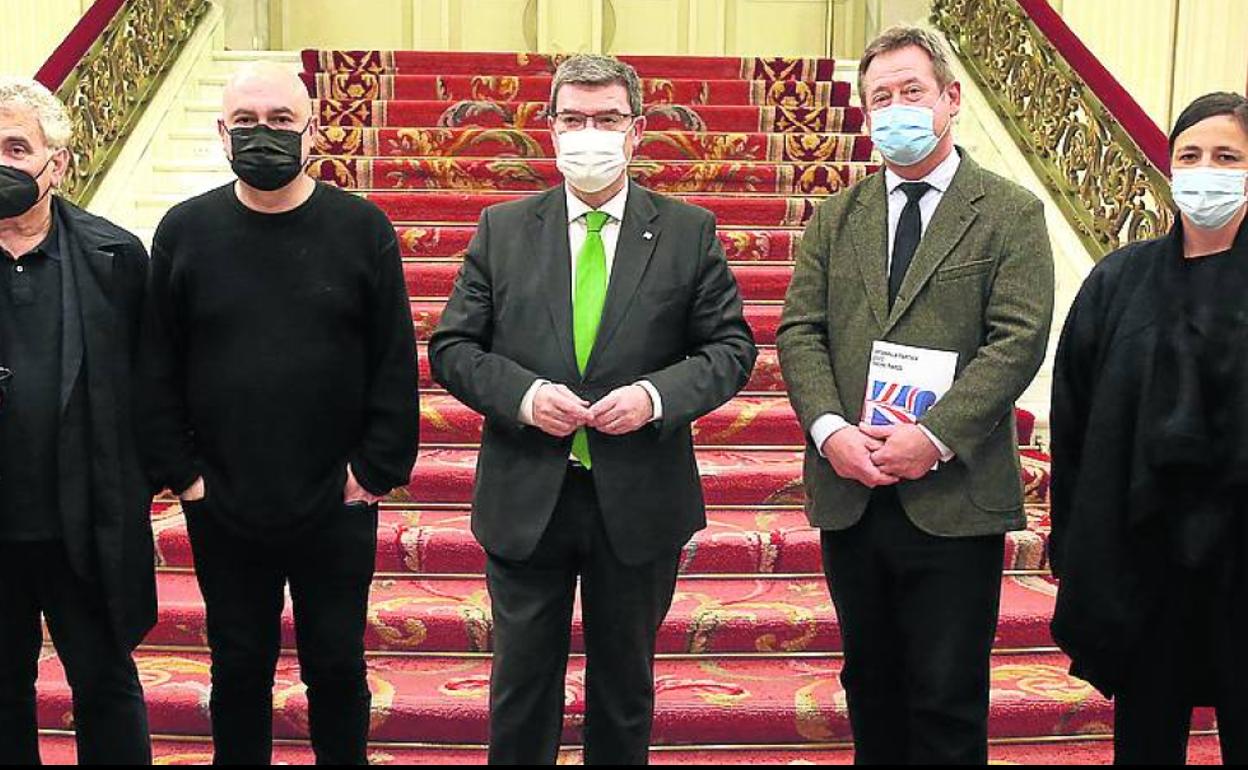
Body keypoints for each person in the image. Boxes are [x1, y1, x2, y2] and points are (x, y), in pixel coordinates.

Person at [429, 53, 757, 765]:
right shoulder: (503, 228)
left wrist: (653, 397)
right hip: (527, 494)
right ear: (549, 128)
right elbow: (452, 347)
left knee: (624, 689)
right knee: (520, 688)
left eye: (607, 119)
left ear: (636, 130)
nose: (589, 134)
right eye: (573, 119)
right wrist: (523, 396)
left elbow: (731, 350)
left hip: (639, 498)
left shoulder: (688, 231)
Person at [777, 25, 1055, 765]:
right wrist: (830, 430)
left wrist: (933, 436)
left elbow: (1017, 339)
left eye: (912, 91)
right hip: (854, 488)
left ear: (950, 98)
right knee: (870, 686)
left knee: (946, 697)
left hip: (954, 495)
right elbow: (800, 330)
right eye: (881, 97)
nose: (896, 108)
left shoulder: (1010, 212)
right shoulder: (837, 216)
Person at [139, 62, 420, 765]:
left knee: (337, 665)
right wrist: (185, 475)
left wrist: (373, 473)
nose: (262, 134)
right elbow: (156, 363)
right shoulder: (185, 230)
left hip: (337, 497)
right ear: (221, 132)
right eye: (246, 122)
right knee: (237, 666)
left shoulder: (362, 228)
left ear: (311, 130)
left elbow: (393, 359)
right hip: (222, 499)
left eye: (280, 121)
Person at [1050, 91, 1248, 765]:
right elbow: (1073, 419)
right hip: (1143, 561)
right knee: (1145, 740)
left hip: (1242, 563)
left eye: (1226, 157)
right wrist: (1073, 546)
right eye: (1189, 155)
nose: (1205, 170)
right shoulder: (1118, 281)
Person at [0, 77, 155, 765]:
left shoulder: (115, 257)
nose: (2, 164)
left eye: (16, 148)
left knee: (105, 685)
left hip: (86, 523)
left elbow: (152, 384)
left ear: (56, 163)